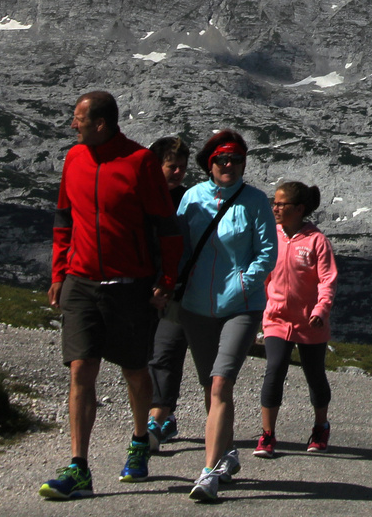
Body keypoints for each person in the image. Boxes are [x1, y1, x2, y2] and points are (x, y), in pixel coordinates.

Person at [40, 91, 183, 501]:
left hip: (129, 286)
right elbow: (64, 218)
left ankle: (140, 442)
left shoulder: (138, 163)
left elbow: (166, 226)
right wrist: (58, 273)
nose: (73, 125)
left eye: (79, 119)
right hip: (81, 282)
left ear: (100, 123)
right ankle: (78, 467)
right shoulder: (74, 159)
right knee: (81, 369)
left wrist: (166, 278)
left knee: (135, 371)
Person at [177, 130, 276, 503]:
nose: (229, 165)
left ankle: (208, 474)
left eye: (236, 159)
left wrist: (242, 285)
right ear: (210, 163)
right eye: (222, 159)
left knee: (221, 384)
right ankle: (226, 453)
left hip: (241, 306)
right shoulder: (191, 198)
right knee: (210, 386)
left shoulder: (255, 201)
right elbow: (179, 247)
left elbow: (267, 253)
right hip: (196, 306)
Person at [254, 181, 337, 458]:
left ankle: (320, 425)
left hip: (310, 322)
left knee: (314, 375)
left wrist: (320, 310)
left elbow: (327, 281)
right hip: (277, 319)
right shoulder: (270, 237)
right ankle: (267, 435)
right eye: (273, 203)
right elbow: (263, 274)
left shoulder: (316, 241)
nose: (275, 208)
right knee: (275, 369)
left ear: (299, 209)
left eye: (281, 204)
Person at [145, 136, 192, 451]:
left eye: (182, 168)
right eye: (171, 166)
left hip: (179, 291)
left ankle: (156, 419)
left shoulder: (191, 200)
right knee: (148, 355)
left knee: (166, 351)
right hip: (143, 288)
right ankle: (165, 414)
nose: (177, 173)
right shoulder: (141, 198)